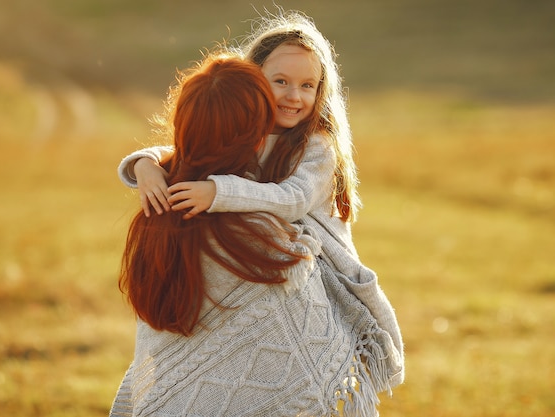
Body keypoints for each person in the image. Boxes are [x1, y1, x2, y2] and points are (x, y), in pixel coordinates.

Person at [118, 8, 404, 398]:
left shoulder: (317, 145)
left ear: (321, 91)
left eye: (308, 86)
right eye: (280, 81)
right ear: (253, 80)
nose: (293, 96)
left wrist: (218, 193)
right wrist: (145, 165)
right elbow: (190, 149)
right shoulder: (248, 128)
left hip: (324, 268)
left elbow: (294, 199)